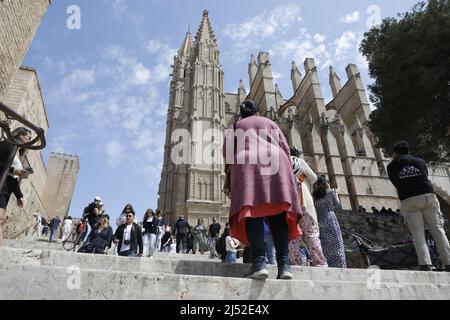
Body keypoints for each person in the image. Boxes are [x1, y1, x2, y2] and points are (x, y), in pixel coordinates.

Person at [223, 100, 302, 280]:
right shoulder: (271, 123)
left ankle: (259, 263)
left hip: (247, 166)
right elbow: (285, 148)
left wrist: (230, 174)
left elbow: (227, 153)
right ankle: (284, 266)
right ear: (257, 112)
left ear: (242, 114)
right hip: (276, 163)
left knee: (252, 213)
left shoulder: (236, 126)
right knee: (278, 214)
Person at [387, 141, 450, 271]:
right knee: (437, 229)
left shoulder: (391, 166)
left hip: (409, 199)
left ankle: (425, 264)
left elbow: (395, 182)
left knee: (417, 232)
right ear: (409, 151)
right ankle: (448, 262)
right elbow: (424, 175)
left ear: (395, 153)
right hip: (427, 195)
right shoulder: (419, 161)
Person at [290, 154, 328, 267]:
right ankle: (320, 263)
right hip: (304, 200)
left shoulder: (281, 162)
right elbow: (314, 178)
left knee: (292, 236)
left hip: (290, 203)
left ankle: (296, 263)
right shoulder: (299, 161)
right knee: (312, 234)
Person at [0, 127, 32, 247]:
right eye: (28, 138)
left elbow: (13, 178)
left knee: (1, 220)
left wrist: (19, 196)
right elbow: (9, 171)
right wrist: (14, 170)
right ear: (20, 136)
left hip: (6, 188)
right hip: (1, 185)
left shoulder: (18, 153)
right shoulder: (7, 144)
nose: (29, 141)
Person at [313, 175, 347, 268]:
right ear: (326, 183)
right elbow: (337, 205)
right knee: (336, 243)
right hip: (331, 220)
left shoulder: (315, 196)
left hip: (320, 221)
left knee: (325, 245)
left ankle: (328, 264)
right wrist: (336, 194)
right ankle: (339, 265)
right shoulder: (331, 192)